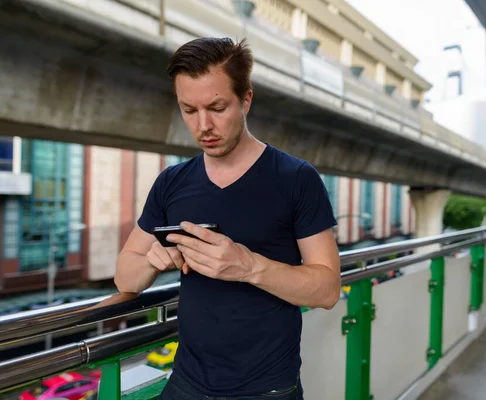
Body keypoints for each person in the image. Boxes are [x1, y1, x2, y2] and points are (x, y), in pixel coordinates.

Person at [114, 36, 341, 399]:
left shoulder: (296, 178)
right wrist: (151, 264)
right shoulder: (171, 182)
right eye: (189, 110)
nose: (203, 125)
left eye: (217, 107)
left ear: (246, 99)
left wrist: (248, 266)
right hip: (187, 383)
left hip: (267, 389)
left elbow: (328, 289)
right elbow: (124, 274)